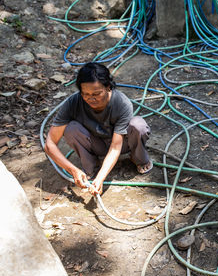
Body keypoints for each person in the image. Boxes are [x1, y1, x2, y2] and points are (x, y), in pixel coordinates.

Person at [44, 62, 151, 196]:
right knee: (70, 128)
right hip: (96, 145)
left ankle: (138, 158)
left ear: (108, 87)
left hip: (121, 144)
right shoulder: (73, 102)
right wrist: (72, 170)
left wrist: (101, 178)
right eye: (85, 94)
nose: (91, 99)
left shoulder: (121, 103)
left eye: (97, 93)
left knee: (138, 125)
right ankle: (91, 166)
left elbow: (115, 148)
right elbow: (50, 144)